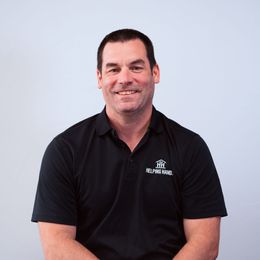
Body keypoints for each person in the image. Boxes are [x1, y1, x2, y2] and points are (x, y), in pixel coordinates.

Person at [32, 28, 227, 260]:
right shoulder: (65, 150)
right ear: (99, 78)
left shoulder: (190, 148)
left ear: (155, 72)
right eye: (113, 69)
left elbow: (205, 243)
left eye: (136, 67)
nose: (124, 79)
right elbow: (56, 245)